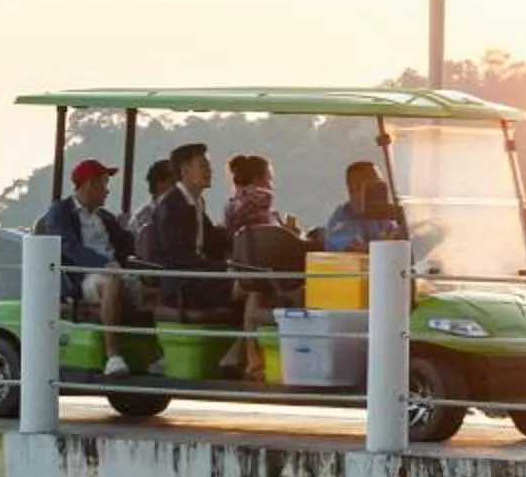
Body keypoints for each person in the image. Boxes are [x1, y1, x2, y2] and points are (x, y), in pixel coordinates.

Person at [33, 159, 138, 357]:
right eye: (104, 184)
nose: (107, 191)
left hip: (116, 270)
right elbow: (68, 246)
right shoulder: (61, 212)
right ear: (90, 184)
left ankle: (154, 353)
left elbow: (127, 245)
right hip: (85, 275)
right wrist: (103, 264)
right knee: (112, 282)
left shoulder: (105, 217)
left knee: (162, 290)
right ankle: (113, 354)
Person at [219, 154, 300, 375]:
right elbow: (267, 243)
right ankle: (253, 356)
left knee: (260, 285)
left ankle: (236, 355)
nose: (272, 186)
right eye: (269, 179)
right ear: (257, 180)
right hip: (243, 276)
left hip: (248, 272)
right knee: (259, 288)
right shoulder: (252, 204)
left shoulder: (233, 205)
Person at [146, 143, 232, 346]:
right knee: (251, 289)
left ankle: (236, 351)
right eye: (203, 165)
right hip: (181, 283)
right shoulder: (170, 206)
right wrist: (222, 268)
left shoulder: (197, 203)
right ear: (185, 170)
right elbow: (178, 256)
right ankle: (240, 352)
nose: (209, 171)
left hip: (200, 277)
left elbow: (215, 242)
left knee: (255, 284)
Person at [320, 160, 407, 253]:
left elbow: (397, 235)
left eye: (381, 186)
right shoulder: (341, 221)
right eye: (373, 187)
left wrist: (405, 226)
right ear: (353, 190)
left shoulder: (382, 216)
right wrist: (389, 242)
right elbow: (354, 251)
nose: (378, 192)